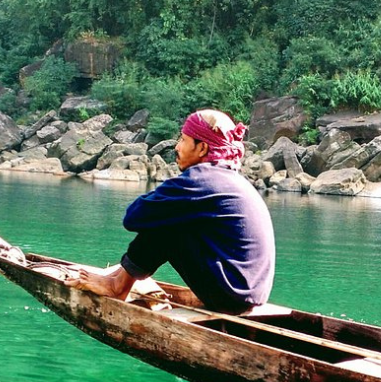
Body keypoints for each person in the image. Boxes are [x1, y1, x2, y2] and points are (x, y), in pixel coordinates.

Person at [66, 108, 275, 313]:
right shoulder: (235, 180)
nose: (177, 147)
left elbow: (133, 217)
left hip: (230, 296)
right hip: (251, 295)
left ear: (202, 148)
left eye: (183, 140)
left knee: (169, 222)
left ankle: (116, 286)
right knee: (172, 216)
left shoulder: (200, 179)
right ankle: (116, 280)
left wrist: (167, 198)